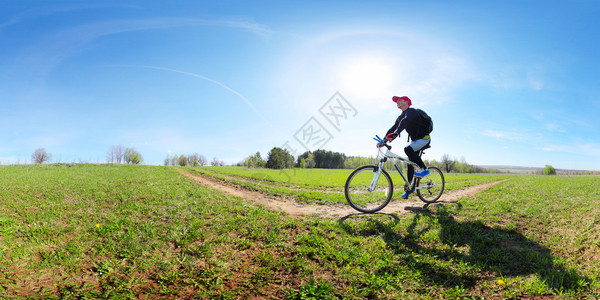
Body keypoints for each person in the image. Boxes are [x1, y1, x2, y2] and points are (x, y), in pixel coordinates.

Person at [381, 96, 431, 199]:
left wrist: (395, 134)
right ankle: (410, 188)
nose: (397, 102)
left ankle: (424, 169)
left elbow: (404, 122)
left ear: (406, 102)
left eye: (399, 100)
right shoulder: (400, 116)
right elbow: (393, 128)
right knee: (410, 164)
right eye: (396, 101)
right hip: (415, 141)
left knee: (407, 149)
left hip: (424, 138)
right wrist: (383, 140)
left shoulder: (412, 111)